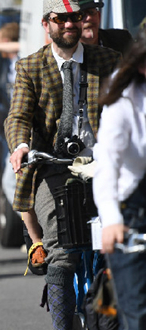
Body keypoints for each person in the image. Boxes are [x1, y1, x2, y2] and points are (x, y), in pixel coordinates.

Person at [4, 0, 120, 329]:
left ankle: (113, 311)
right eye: (61, 19)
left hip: (101, 164)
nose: (69, 24)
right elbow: (18, 115)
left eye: (74, 17)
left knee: (118, 245)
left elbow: (128, 108)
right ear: (47, 24)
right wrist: (21, 145)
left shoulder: (108, 60)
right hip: (51, 165)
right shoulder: (30, 66)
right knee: (63, 249)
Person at [0, 23, 47, 269]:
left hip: (32, 129)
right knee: (12, 180)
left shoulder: (26, 55)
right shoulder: (8, 65)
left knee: (14, 180)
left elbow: (18, 45)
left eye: (1, 42)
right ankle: (35, 232)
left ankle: (38, 231)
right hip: (17, 129)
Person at [94, 30, 146, 330]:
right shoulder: (124, 102)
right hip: (131, 216)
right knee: (137, 315)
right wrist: (112, 220)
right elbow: (108, 166)